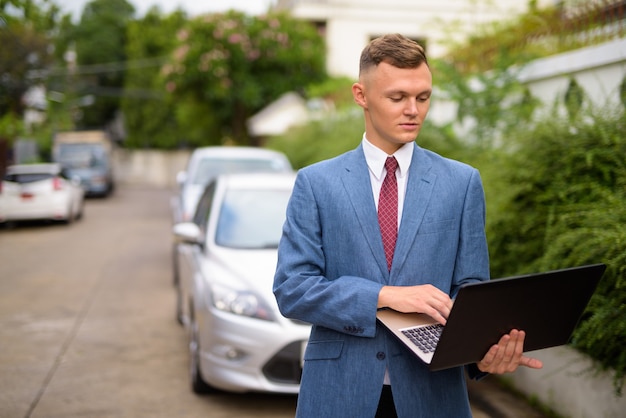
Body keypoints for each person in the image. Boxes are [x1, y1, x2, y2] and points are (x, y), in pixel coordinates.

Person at [273, 33, 543, 418]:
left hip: (433, 396)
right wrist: (384, 295)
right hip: (338, 395)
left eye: (423, 97)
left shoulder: (462, 182)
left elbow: (470, 292)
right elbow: (293, 289)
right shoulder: (316, 183)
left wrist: (484, 356)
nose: (412, 110)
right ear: (361, 95)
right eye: (397, 97)